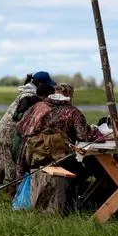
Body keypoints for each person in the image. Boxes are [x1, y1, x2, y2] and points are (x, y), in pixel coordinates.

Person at [16, 83, 104, 213]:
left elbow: (19, 127)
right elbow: (83, 136)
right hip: (58, 159)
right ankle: (77, 203)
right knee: (91, 169)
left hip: (32, 157)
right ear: (69, 95)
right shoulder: (72, 112)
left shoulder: (37, 106)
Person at [0, 71, 56, 198]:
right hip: (11, 133)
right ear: (40, 84)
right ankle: (12, 194)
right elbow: (22, 116)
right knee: (11, 163)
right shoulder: (30, 96)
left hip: (2, 130)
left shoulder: (25, 92)